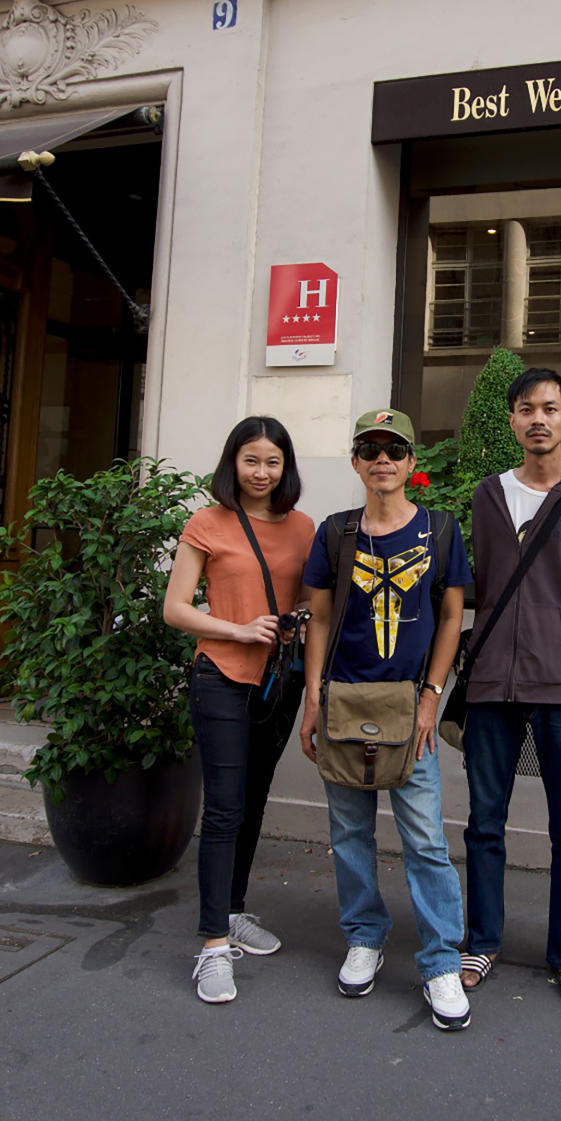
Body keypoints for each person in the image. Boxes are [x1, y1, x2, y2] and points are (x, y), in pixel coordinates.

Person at [299, 407, 473, 1032]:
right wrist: (314, 697)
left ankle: (440, 961)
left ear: (411, 464)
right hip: (345, 701)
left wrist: (432, 693)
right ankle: (365, 936)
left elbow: (452, 618)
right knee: (349, 833)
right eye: (370, 449)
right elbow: (318, 618)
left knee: (425, 839)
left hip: (410, 707)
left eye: (394, 450)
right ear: (355, 462)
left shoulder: (442, 530)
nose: (382, 460)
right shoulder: (336, 532)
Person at [460, 367, 561, 1007]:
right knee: (484, 822)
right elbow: (485, 579)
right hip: (493, 680)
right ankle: (482, 940)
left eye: (550, 408)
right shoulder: (486, 496)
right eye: (526, 408)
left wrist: (560, 633)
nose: (538, 419)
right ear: (511, 420)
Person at [164, 416, 314, 1004]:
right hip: (221, 676)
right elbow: (176, 609)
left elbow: (307, 595)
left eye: (272, 462)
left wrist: (297, 615)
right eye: (251, 460)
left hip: (279, 682)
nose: (261, 472)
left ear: (285, 467)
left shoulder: (303, 527)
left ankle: (232, 911)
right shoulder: (207, 522)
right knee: (224, 808)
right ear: (234, 462)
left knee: (252, 802)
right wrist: (238, 628)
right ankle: (211, 948)